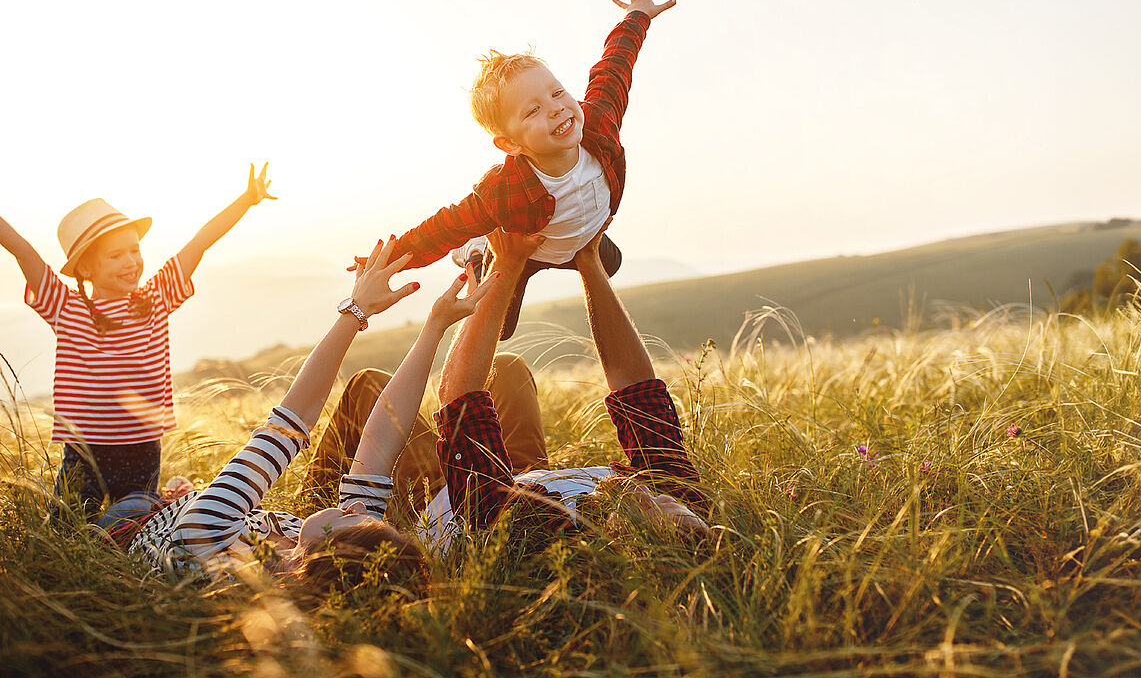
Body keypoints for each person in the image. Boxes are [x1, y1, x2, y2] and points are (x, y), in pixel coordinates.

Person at [315, 225, 710, 569]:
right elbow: (634, 386)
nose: (652, 493)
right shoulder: (674, 491)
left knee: (367, 385)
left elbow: (458, 396)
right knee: (508, 368)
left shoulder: (538, 534)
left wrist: (508, 267)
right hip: (526, 477)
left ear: (629, 542)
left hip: (446, 495)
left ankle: (311, 526)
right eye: (684, 510)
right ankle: (491, 267)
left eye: (656, 510)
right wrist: (589, 260)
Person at [120, 237, 480, 582]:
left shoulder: (205, 541)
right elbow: (379, 443)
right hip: (200, 504)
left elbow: (290, 423)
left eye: (358, 521)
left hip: (137, 516)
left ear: (323, 557)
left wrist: (357, 309)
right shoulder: (315, 548)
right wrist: (435, 326)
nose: (359, 511)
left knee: (126, 501)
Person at [354, 0, 677, 340]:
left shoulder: (598, 124)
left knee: (612, 264)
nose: (556, 109)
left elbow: (613, 69)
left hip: (581, 233)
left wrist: (637, 15)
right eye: (532, 110)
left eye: (557, 93)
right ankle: (477, 253)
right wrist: (387, 261)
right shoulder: (503, 192)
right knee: (499, 328)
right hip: (530, 247)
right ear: (510, 145)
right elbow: (444, 227)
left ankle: (575, 245)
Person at [0, 165, 276, 521]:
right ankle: (166, 500)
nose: (131, 262)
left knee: (133, 528)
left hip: (142, 448)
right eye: (116, 256)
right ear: (85, 269)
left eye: (134, 250)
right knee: (66, 529)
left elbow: (200, 242)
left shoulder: (157, 298)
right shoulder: (66, 308)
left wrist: (247, 200)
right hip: (84, 450)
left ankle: (163, 504)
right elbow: (24, 252)